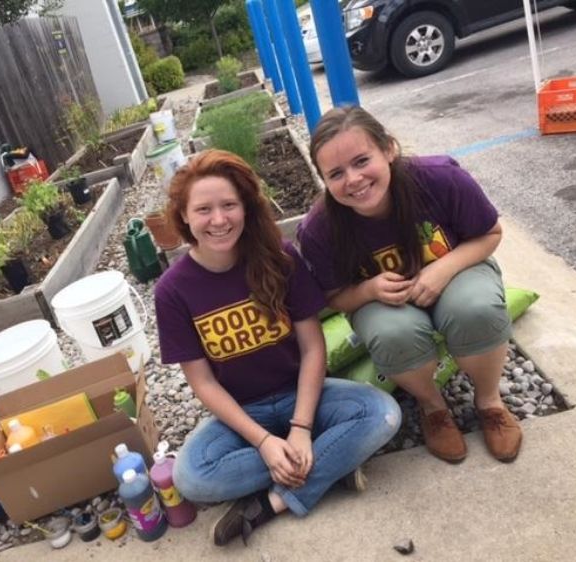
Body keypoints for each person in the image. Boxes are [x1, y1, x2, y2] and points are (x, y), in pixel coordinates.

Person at [154, 149, 401, 546]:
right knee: (191, 476)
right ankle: (333, 467)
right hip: (241, 413)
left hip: (303, 396)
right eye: (203, 209)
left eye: (229, 205)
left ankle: (273, 503)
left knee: (382, 414)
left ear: (246, 208)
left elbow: (312, 348)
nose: (218, 220)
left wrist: (301, 429)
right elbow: (203, 384)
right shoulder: (172, 291)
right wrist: (265, 442)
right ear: (184, 215)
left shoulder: (279, 258)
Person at [297, 106, 522, 464]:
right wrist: (369, 290)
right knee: (391, 333)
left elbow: (489, 234)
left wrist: (443, 268)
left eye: (361, 160)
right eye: (336, 173)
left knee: (475, 308)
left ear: (388, 149)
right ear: (323, 178)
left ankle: (489, 401)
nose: (353, 179)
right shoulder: (320, 229)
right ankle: (432, 407)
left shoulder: (439, 179)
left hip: (459, 272)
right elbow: (334, 297)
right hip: (386, 304)